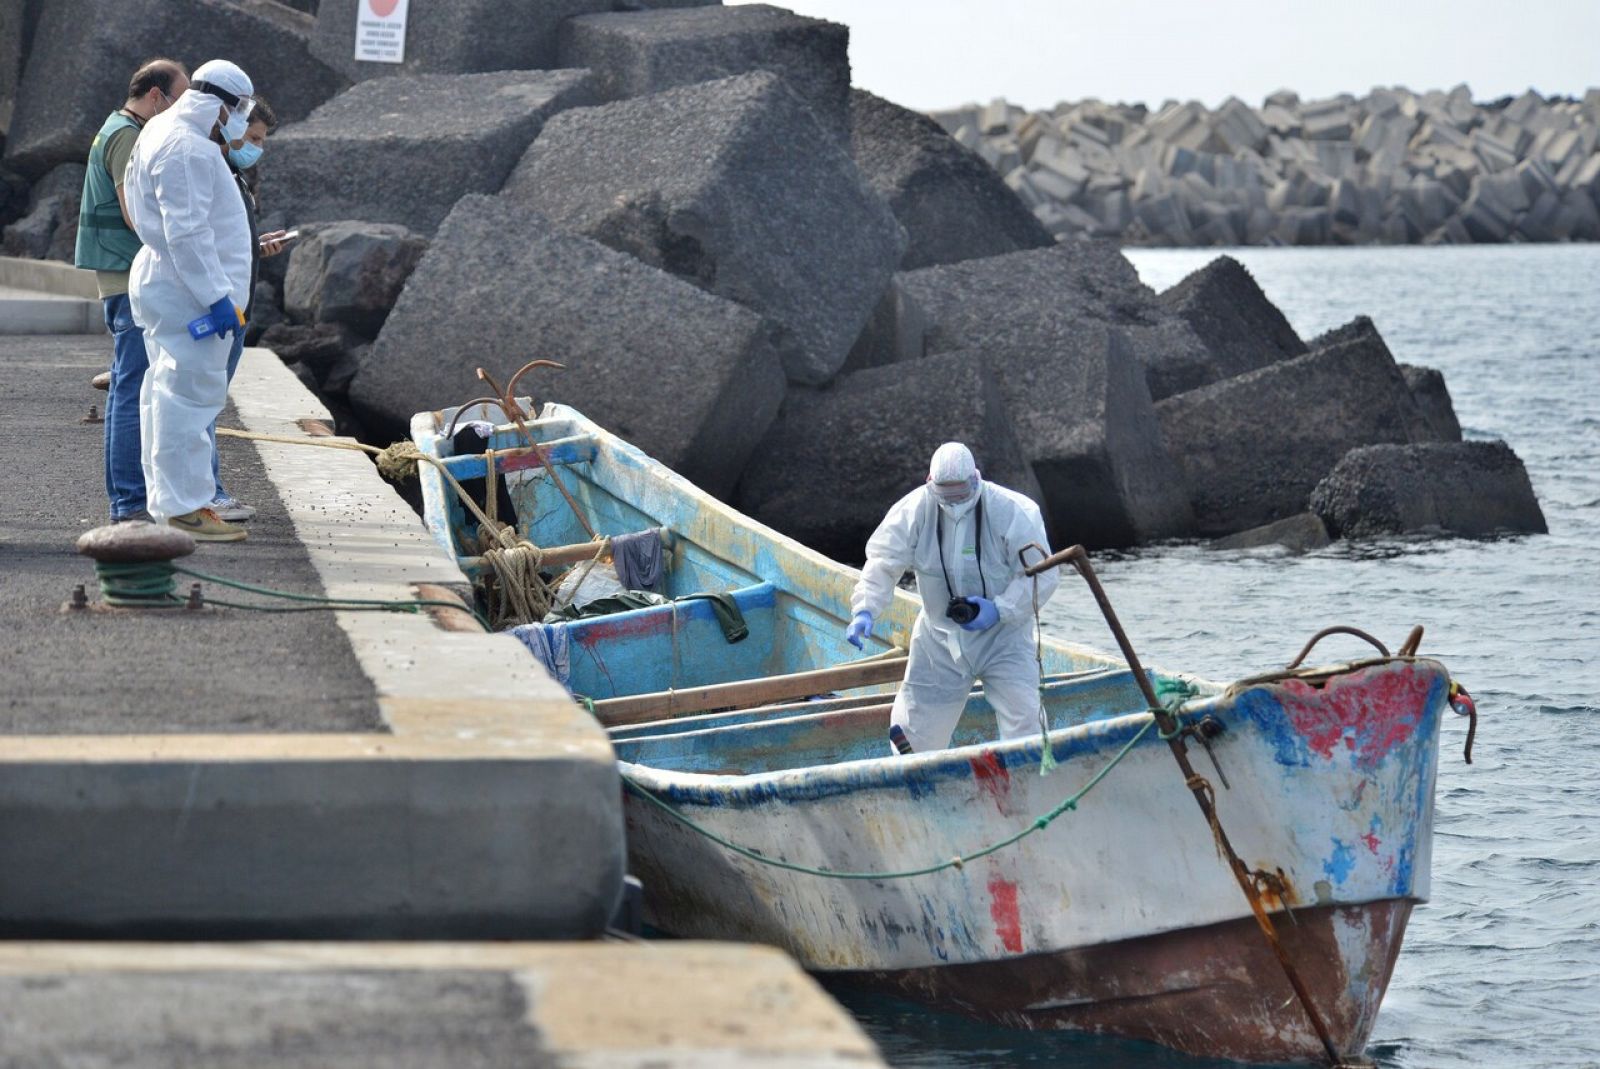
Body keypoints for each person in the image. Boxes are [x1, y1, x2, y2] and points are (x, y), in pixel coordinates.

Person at [845, 443, 1061, 754]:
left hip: (1004, 637)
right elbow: (883, 561)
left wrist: (1001, 609)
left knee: (1025, 721)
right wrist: (865, 609)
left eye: (962, 491)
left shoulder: (1015, 511)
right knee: (914, 728)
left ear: (977, 479)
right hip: (939, 638)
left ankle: (1029, 783)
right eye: (946, 492)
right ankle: (918, 784)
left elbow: (1043, 574)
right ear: (929, 483)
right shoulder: (913, 510)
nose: (955, 500)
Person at [122, 59, 257, 541]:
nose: (241, 119)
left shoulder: (161, 131)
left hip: (168, 283)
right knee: (189, 400)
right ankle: (185, 508)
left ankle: (171, 504)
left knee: (163, 395)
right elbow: (188, 233)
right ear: (223, 105)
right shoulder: (189, 149)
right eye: (241, 108)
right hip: (189, 293)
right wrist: (218, 297)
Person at [74, 58, 190, 524]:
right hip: (128, 278)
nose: (185, 110)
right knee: (130, 387)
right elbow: (134, 212)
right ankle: (128, 502)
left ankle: (130, 498)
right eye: (180, 99)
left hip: (121, 276)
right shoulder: (127, 135)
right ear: (157, 96)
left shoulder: (116, 126)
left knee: (129, 384)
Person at [204, 95, 289, 523]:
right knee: (202, 404)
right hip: (220, 309)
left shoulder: (236, 175)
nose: (257, 146)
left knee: (207, 403)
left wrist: (256, 249)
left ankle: (206, 491)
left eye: (262, 140)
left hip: (234, 308)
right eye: (253, 136)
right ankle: (208, 494)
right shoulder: (214, 171)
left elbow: (226, 243)